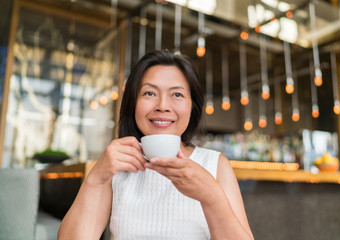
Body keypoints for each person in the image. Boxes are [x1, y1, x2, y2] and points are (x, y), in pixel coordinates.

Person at [58, 50, 254, 240]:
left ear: (192, 107)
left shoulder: (214, 164)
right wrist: (96, 179)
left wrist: (212, 196)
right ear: (133, 103)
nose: (162, 105)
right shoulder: (117, 166)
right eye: (149, 93)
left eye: (177, 95)